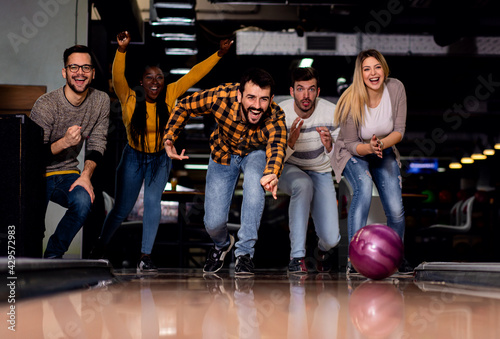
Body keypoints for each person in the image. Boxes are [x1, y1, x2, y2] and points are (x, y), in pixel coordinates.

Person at [91, 31, 233, 272]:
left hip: (160, 158)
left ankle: (145, 256)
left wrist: (218, 54)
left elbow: (194, 74)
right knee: (121, 209)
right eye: (149, 77)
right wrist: (121, 50)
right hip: (133, 157)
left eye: (159, 77)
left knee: (153, 201)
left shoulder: (171, 94)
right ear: (141, 80)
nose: (155, 82)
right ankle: (100, 247)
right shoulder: (129, 97)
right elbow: (117, 78)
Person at [164, 67, 287, 276]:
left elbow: (277, 145)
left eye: (264, 100)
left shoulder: (276, 115)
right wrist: (169, 138)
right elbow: (185, 105)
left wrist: (272, 172)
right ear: (239, 95)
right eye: (251, 98)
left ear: (271, 99)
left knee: (254, 186)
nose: (257, 107)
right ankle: (222, 244)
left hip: (255, 154)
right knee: (213, 223)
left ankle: (245, 254)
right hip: (223, 153)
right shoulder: (221, 97)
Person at [331, 49, 413, 275]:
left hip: (383, 147)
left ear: (384, 68)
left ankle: (397, 256)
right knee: (364, 188)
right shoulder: (350, 98)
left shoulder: (396, 88)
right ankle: (354, 259)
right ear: (360, 74)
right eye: (366, 69)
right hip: (354, 150)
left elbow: (399, 131)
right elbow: (349, 142)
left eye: (377, 67)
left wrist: (380, 146)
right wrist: (368, 148)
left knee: (396, 209)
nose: (373, 73)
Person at [30, 45, 110, 259]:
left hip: (67, 173)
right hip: (36, 174)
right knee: (33, 226)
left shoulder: (101, 101)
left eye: (85, 67)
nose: (80, 73)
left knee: (85, 201)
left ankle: (53, 258)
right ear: (64, 72)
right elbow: (33, 155)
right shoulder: (46, 105)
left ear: (92, 73)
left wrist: (85, 176)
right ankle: (23, 271)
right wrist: (64, 141)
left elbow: (98, 142)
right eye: (74, 67)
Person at [278, 67, 340, 274]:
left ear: (318, 92)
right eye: (300, 89)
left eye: (311, 89)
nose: (306, 95)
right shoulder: (280, 114)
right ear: (292, 91)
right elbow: (273, 159)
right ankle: (297, 258)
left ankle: (321, 252)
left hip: (320, 170)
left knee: (332, 239)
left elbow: (341, 156)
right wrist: (290, 143)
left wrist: (330, 146)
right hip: (289, 167)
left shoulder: (332, 112)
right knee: (302, 184)